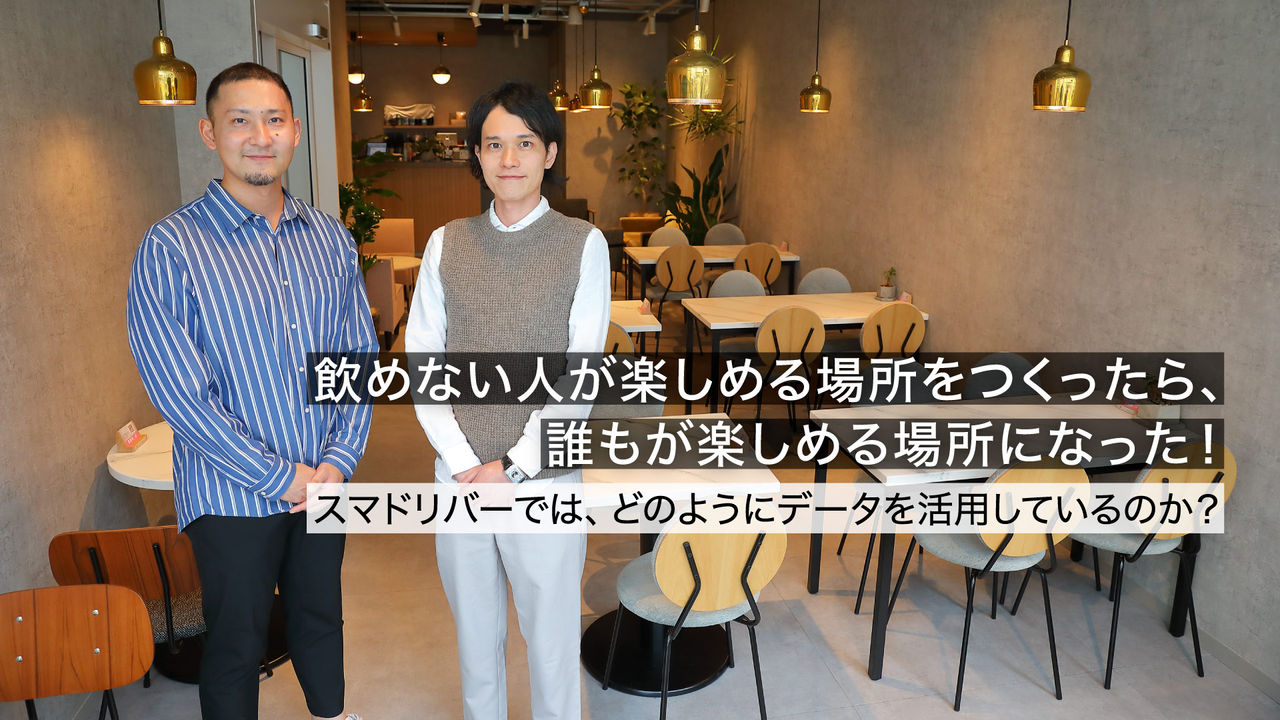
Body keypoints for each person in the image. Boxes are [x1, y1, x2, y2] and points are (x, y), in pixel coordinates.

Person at [126, 62, 375, 720]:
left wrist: (338, 461)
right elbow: (180, 393)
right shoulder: (172, 246)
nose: (260, 137)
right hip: (230, 493)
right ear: (210, 133)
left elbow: (357, 357)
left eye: (273, 120)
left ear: (295, 130)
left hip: (324, 478)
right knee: (236, 643)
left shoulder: (330, 238)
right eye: (240, 121)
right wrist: (279, 477)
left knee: (320, 617)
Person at [405, 81, 608, 720]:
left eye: (525, 142)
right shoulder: (447, 241)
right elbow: (422, 358)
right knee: (475, 639)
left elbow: (580, 372)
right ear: (477, 154)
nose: (510, 158)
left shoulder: (583, 243)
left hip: (544, 477)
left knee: (550, 643)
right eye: (494, 144)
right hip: (460, 477)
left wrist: (514, 466)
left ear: (550, 153)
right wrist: (467, 462)